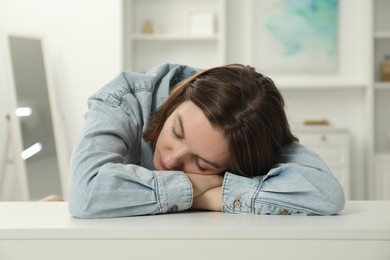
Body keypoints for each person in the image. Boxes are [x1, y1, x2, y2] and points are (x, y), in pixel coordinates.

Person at [68, 63, 345, 218]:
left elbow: (326, 195)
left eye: (202, 164)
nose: (172, 159)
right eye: (176, 132)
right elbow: (85, 195)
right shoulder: (125, 97)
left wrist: (209, 197)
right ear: (180, 96)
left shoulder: (249, 124)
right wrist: (200, 187)